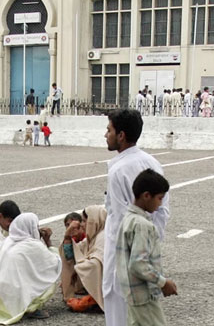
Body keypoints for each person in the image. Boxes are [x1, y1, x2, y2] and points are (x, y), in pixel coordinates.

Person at [103, 109, 169, 326]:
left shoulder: (118, 171)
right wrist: (149, 243)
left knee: (118, 307)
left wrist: (132, 254)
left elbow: (123, 219)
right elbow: (162, 211)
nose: (106, 135)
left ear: (121, 135)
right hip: (147, 251)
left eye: (109, 130)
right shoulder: (152, 163)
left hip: (122, 254)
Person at [117, 169, 177, 325]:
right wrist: (163, 282)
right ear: (146, 196)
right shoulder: (142, 225)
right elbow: (138, 263)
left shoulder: (128, 218)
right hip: (144, 296)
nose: (161, 204)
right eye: (159, 198)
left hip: (133, 293)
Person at [0, 213, 62, 324]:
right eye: (36, 227)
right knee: (49, 275)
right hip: (13, 299)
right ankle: (32, 308)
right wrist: (48, 242)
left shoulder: (9, 240)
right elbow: (55, 263)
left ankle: (17, 305)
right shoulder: (34, 245)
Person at [61, 206, 107, 313]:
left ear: (93, 221)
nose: (82, 224)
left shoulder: (104, 237)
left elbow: (96, 264)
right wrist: (67, 236)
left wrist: (79, 267)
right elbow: (71, 253)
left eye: (85, 221)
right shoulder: (93, 236)